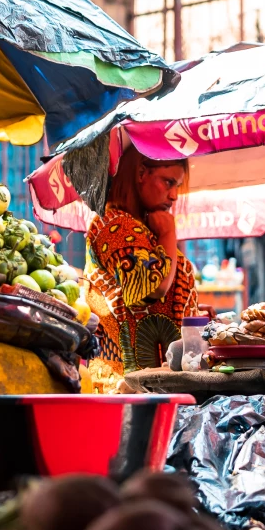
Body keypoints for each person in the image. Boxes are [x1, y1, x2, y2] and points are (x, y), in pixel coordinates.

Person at [84, 146, 213, 383]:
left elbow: (145, 300)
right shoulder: (115, 225)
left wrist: (190, 310)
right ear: (141, 173)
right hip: (129, 386)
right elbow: (151, 288)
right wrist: (168, 232)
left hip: (153, 384)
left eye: (176, 186)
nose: (174, 195)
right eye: (168, 182)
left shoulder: (141, 228)